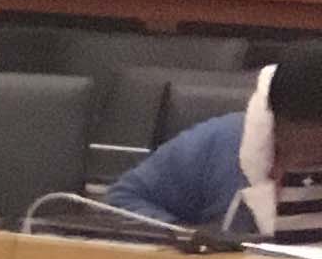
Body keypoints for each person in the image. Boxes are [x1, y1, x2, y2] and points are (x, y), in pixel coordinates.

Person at [104, 44, 322, 243]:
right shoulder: (221, 142)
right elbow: (121, 202)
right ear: (272, 120)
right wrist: (186, 236)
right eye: (292, 146)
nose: (301, 159)